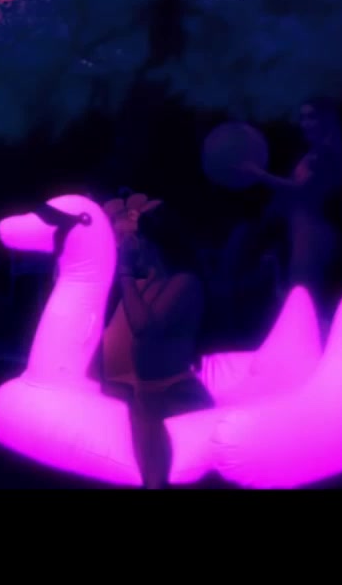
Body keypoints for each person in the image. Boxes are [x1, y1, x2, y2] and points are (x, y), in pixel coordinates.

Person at [100, 201, 213, 489]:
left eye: (140, 239)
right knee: (149, 477)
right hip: (148, 394)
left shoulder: (185, 282)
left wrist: (126, 272)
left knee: (160, 479)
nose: (136, 246)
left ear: (155, 243)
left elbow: (143, 327)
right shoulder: (156, 280)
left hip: (174, 392)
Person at [240, 97, 342, 304]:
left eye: (311, 117)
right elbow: (293, 191)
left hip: (313, 231)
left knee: (305, 292)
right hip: (301, 229)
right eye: (302, 118)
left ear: (326, 120)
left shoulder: (325, 153)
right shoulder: (313, 153)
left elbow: (300, 188)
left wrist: (258, 174)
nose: (305, 123)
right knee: (301, 291)